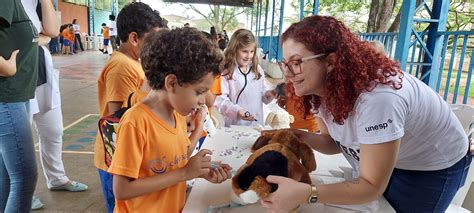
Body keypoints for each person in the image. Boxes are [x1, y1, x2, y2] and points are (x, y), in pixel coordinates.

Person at [260, 15, 471, 212]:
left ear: (331, 62)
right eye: (285, 63)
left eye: (296, 63)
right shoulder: (318, 90)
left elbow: (371, 187)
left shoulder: (379, 99)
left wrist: (307, 194)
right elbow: (334, 142)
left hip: (430, 167)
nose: (287, 74)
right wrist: (301, 136)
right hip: (392, 159)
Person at [109, 27, 231, 212]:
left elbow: (177, 155)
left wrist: (201, 169)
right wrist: (184, 173)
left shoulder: (176, 115)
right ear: (171, 83)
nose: (202, 100)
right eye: (199, 92)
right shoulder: (136, 122)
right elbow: (122, 189)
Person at [95, 3, 164, 212]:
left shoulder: (134, 62)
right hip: (115, 160)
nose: (157, 46)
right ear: (134, 38)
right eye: (153, 40)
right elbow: (120, 117)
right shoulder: (121, 67)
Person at [21, 0, 88, 210]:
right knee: (19, 140)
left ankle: (57, 178)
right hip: (17, 77)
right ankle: (21, 191)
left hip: (42, 72)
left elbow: (51, 32)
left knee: (54, 131)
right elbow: (17, 40)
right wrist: (37, 38)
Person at [0, 0, 39, 211]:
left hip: (16, 96)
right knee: (24, 176)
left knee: (8, 175)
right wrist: (4, 66)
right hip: (7, 97)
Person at [214, 29, 275, 127]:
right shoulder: (226, 73)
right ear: (234, 50)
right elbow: (220, 100)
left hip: (256, 123)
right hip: (235, 125)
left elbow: (263, 94)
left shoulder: (257, 70)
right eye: (245, 51)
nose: (249, 56)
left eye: (252, 52)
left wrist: (269, 95)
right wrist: (238, 111)